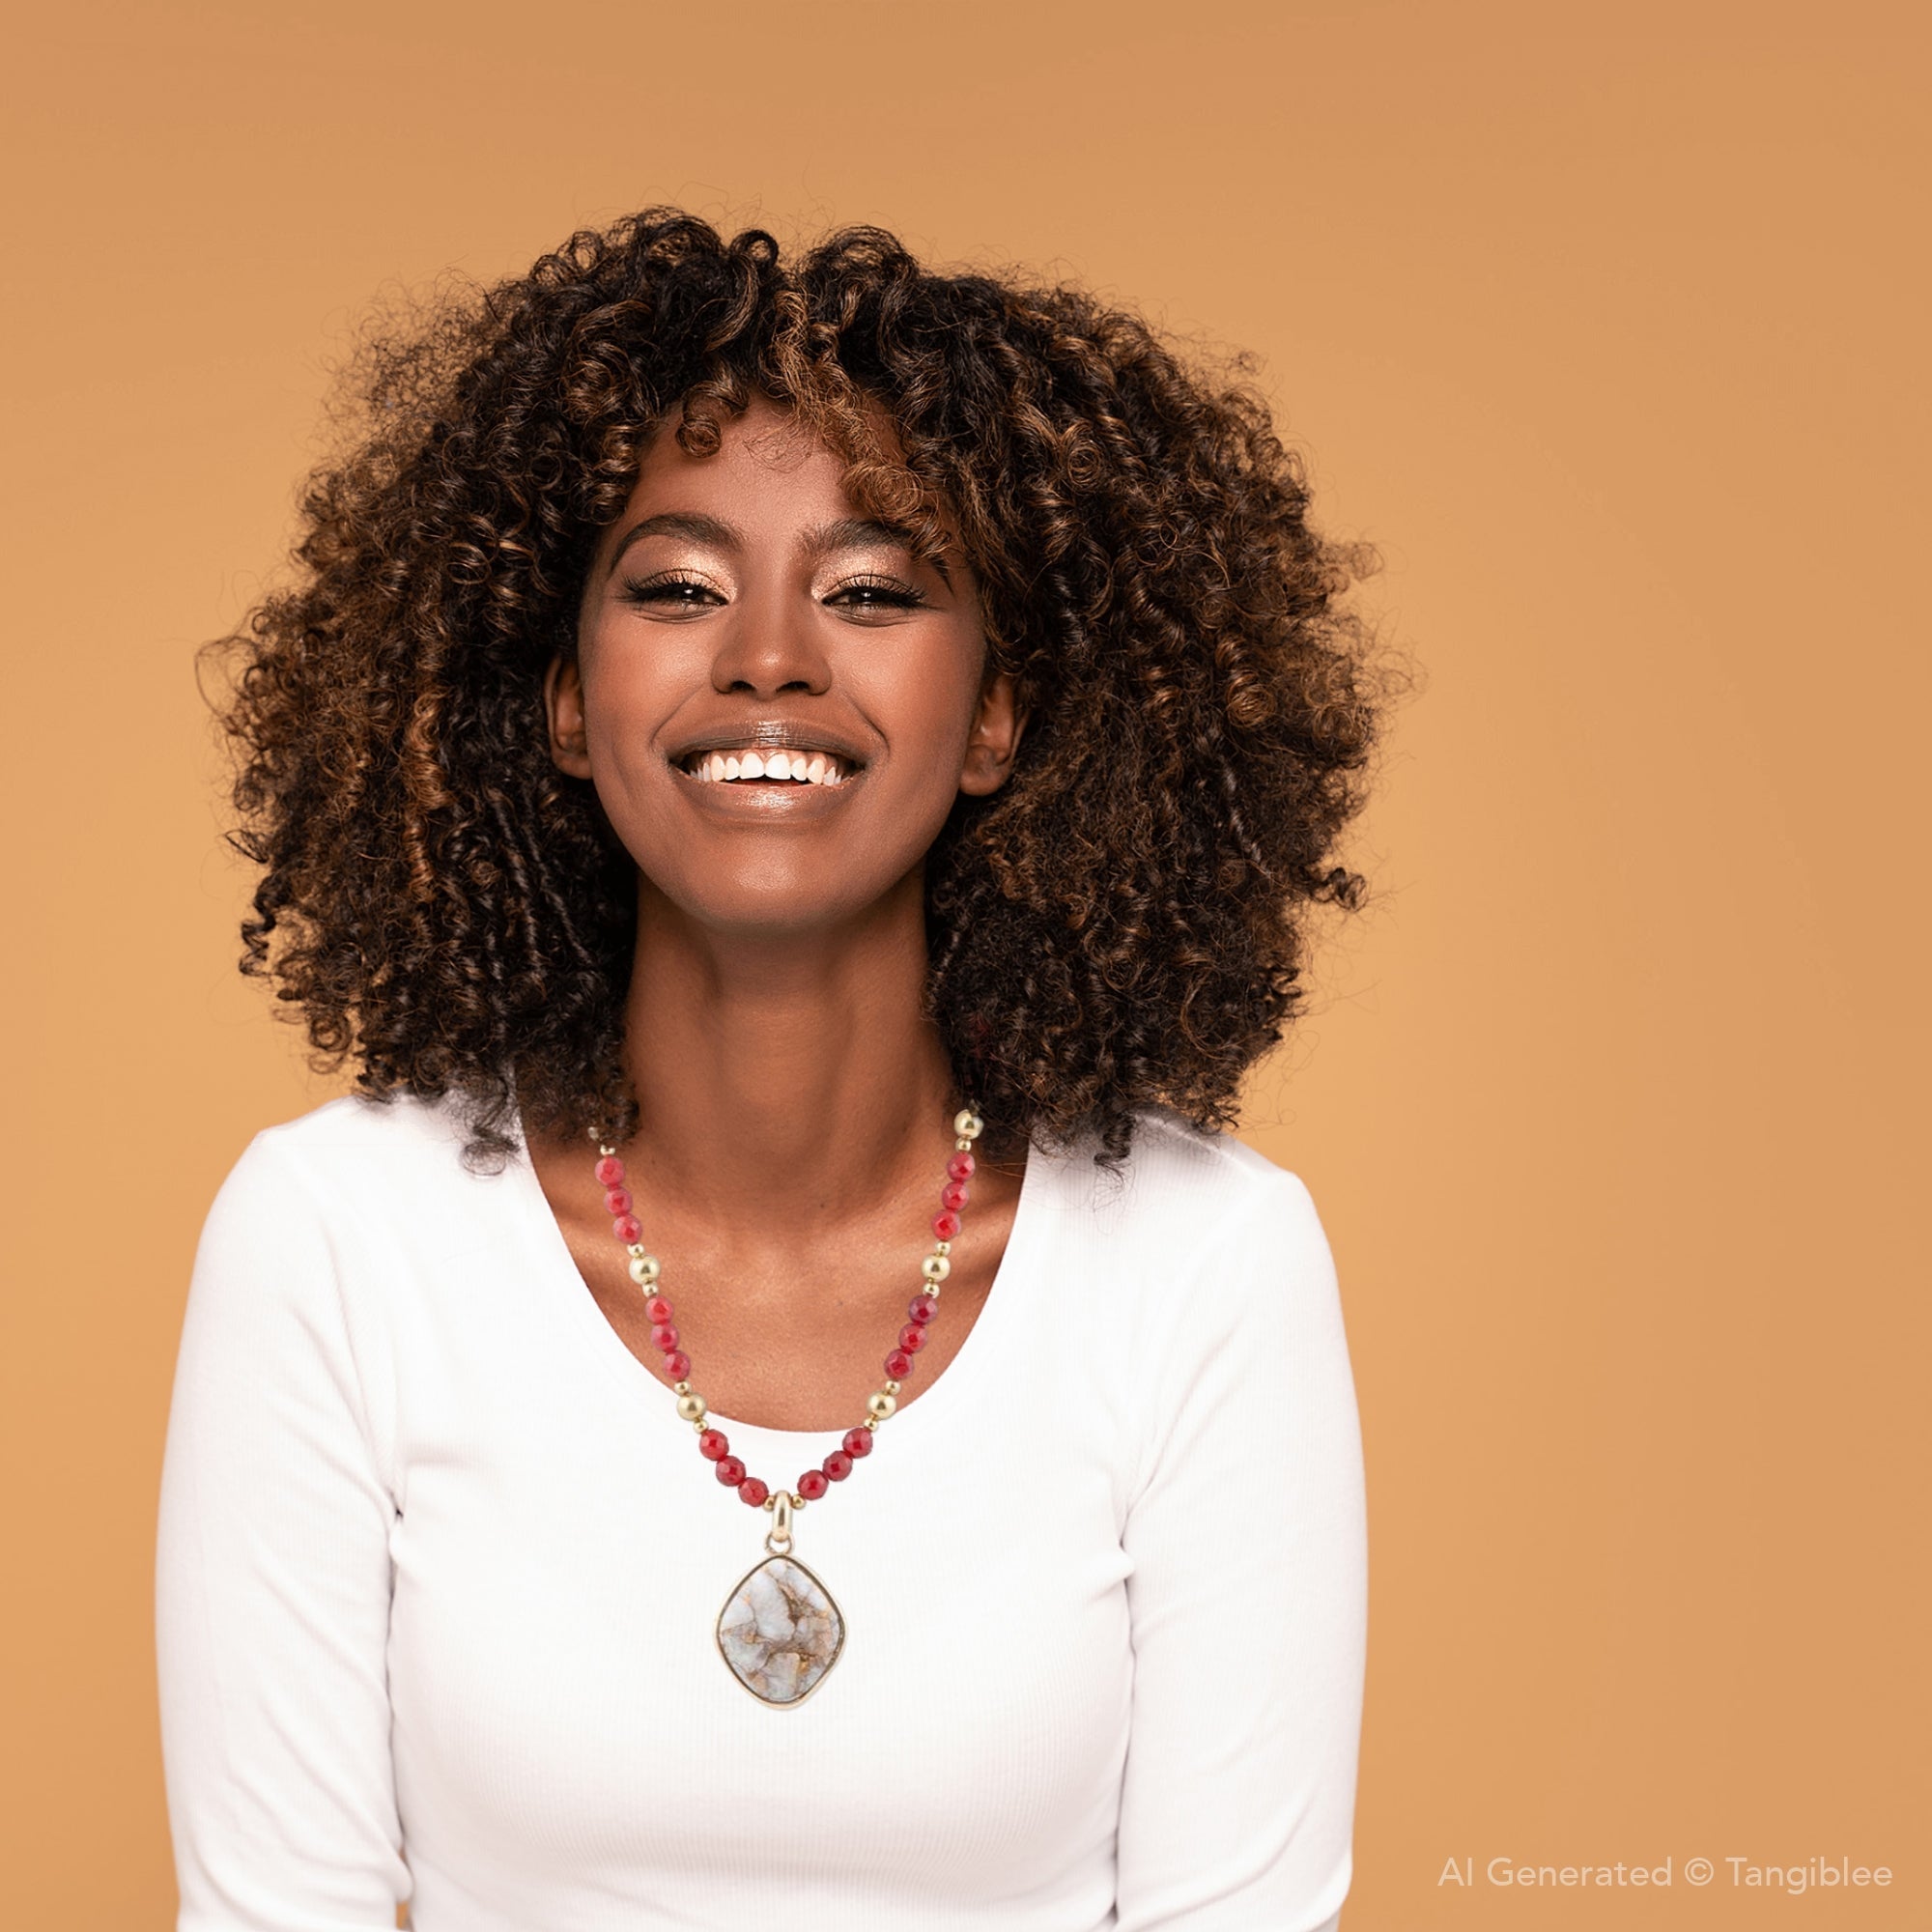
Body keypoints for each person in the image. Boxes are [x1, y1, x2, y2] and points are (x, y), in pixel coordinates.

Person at [156, 208, 1386, 1931]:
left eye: (873, 589)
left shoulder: (1208, 1265)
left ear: (1003, 716)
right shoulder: (336, 1241)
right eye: (675, 587)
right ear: (570, 702)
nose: (771, 657)